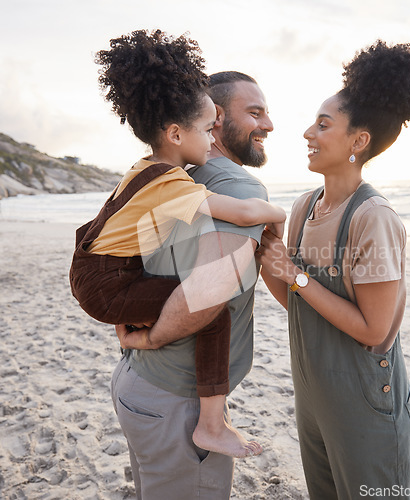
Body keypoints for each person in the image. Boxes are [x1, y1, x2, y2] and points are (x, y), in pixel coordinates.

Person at [69, 30, 284, 465]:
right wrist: (278, 213)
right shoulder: (178, 183)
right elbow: (237, 224)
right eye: (208, 128)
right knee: (215, 317)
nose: (211, 136)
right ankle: (210, 425)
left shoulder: (149, 169)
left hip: (98, 277)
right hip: (162, 383)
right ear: (175, 131)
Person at [257, 40, 410, 499]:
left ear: (358, 141)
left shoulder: (372, 217)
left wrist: (294, 274)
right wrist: (268, 263)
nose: (307, 133)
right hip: (313, 399)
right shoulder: (303, 207)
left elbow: (373, 330)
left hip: (364, 407)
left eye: (323, 124)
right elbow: (298, 305)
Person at [112, 70, 275, 499]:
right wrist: (152, 337)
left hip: (137, 387)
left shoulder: (169, 179)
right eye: (255, 113)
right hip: (175, 403)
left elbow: (132, 264)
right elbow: (208, 294)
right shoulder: (237, 186)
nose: (269, 125)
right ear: (216, 119)